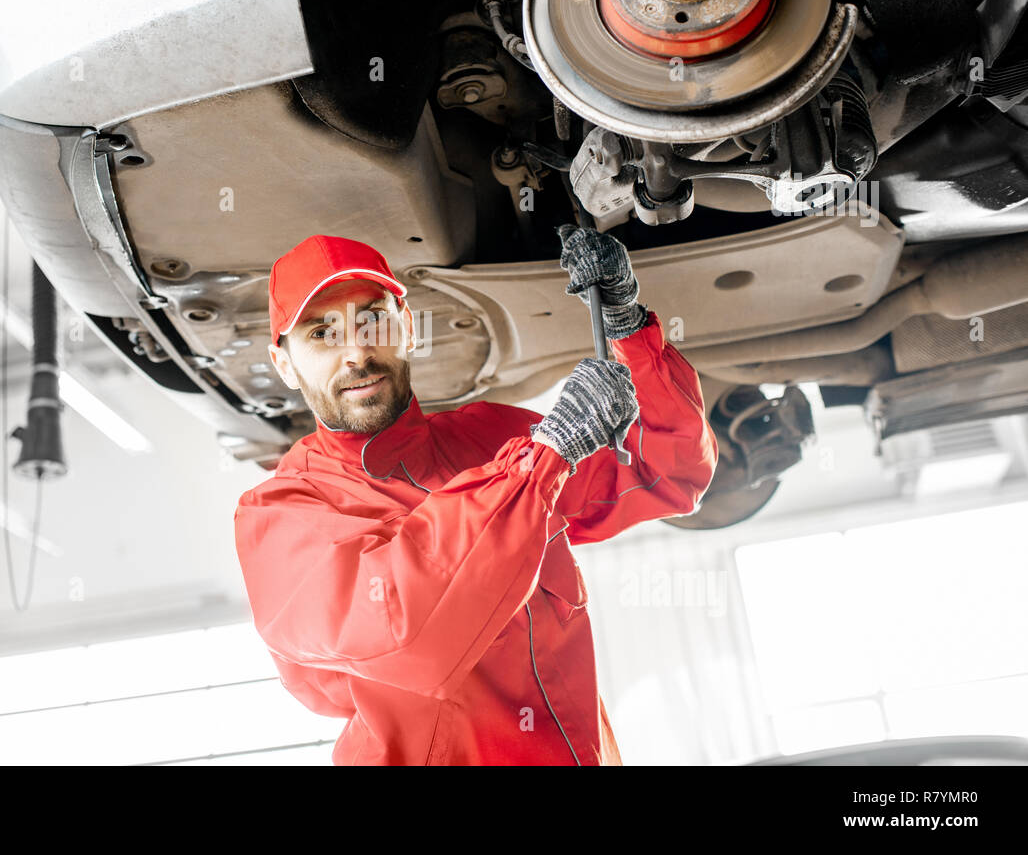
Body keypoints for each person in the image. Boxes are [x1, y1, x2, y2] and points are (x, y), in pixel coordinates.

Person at [233, 226, 719, 765]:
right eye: (322, 334)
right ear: (284, 364)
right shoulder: (283, 513)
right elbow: (406, 630)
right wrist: (543, 461)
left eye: (372, 320)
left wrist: (626, 325)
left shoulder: (493, 440)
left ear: (409, 329)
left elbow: (668, 472)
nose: (356, 353)